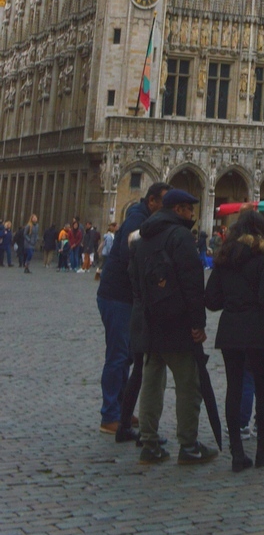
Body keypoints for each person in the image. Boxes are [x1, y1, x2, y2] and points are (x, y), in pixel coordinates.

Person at [129, 188, 218, 466]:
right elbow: (192, 284)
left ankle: (150, 443)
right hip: (177, 323)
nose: (192, 215)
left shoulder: (144, 236)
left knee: (151, 383)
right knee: (188, 385)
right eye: (190, 210)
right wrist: (197, 323)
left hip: (150, 320)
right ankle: (188, 445)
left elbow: (133, 277)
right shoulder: (180, 236)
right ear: (179, 210)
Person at [204, 207, 264, 471]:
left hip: (231, 329)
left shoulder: (224, 260)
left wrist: (233, 301)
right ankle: (262, 448)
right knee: (262, 388)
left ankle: (237, 452)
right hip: (258, 330)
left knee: (234, 388)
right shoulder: (262, 259)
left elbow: (211, 300)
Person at [97, 181, 169, 435]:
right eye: (165, 203)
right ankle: (110, 415)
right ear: (152, 202)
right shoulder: (137, 221)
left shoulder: (141, 218)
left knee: (126, 354)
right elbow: (132, 258)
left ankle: (121, 407)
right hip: (117, 296)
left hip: (122, 296)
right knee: (118, 355)